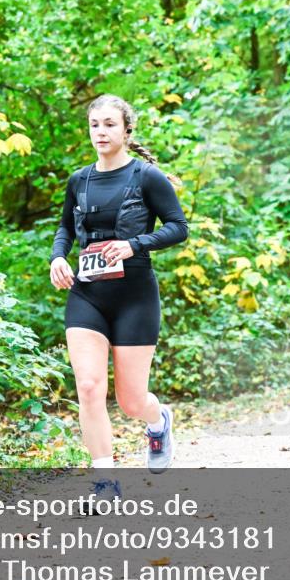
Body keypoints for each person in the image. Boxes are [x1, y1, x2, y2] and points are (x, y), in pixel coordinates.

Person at [49, 94, 189, 502]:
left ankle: (158, 420)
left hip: (135, 296)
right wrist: (58, 257)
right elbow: (65, 229)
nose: (101, 133)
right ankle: (104, 485)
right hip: (87, 295)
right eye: (95, 125)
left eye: (109, 125)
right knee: (90, 387)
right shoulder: (80, 180)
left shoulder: (146, 177)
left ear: (127, 130)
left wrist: (135, 244)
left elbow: (178, 227)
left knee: (130, 401)